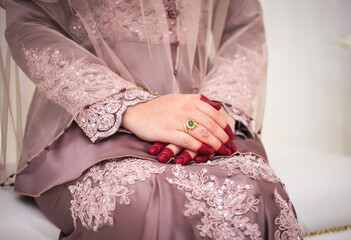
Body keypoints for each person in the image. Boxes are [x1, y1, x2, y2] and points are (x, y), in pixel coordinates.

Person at [3, 0, 303, 239]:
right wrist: (127, 107)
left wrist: (215, 108)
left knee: (258, 193)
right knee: (143, 200)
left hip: (199, 111)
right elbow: (31, 22)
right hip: (89, 117)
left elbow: (244, 30)